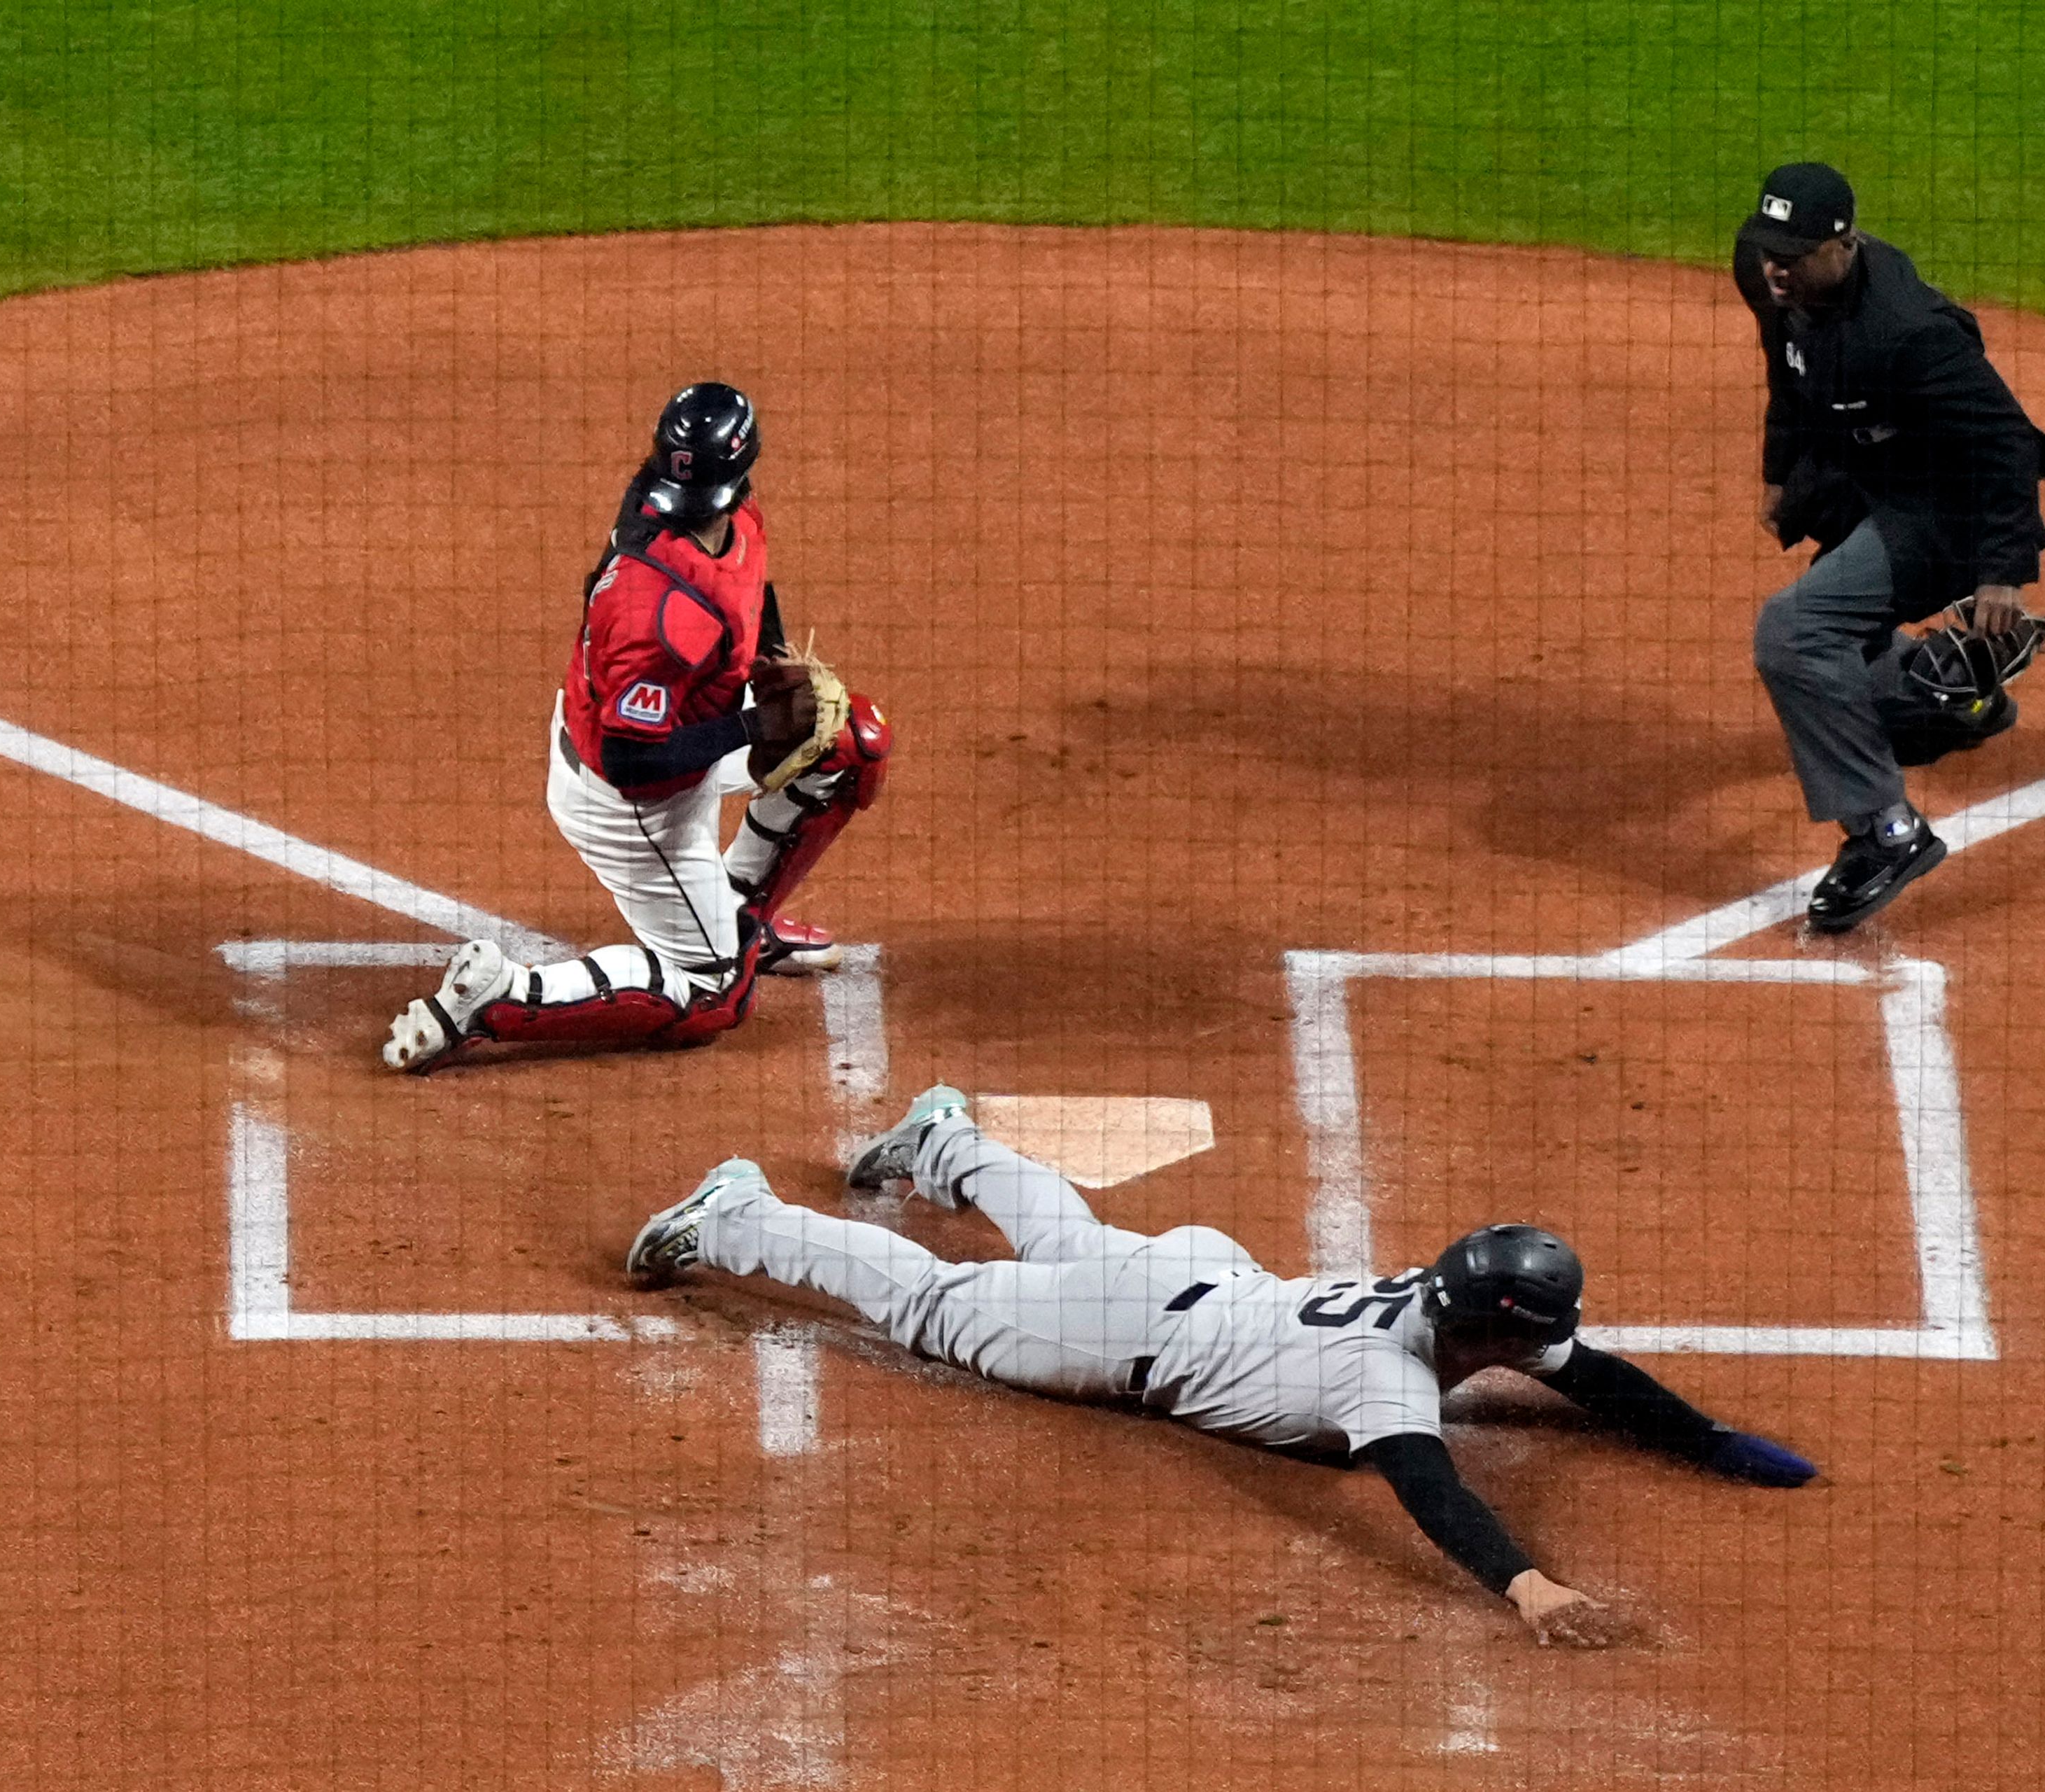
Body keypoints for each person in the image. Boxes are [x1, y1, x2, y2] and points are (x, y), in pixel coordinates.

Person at [626, 1087, 1818, 1646]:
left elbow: (1592, 1376)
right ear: (1496, 1332)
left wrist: (1708, 1443)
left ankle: (946, 1142)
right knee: (932, 1305)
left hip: (1199, 1280)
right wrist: (1528, 1585)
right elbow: (1436, 1495)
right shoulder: (1385, 1385)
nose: (1540, 1355)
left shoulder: (1448, 1306)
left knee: (1076, 1242)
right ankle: (738, 1219)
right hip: (1125, 1334)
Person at [383, 382, 890, 1072]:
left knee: (848, 744)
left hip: (684, 732)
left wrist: (773, 661)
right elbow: (631, 760)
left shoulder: (728, 514)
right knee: (715, 996)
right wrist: (755, 724)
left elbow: (753, 588)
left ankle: (740, 925)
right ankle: (498, 998)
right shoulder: (657, 608)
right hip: (626, 800)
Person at [1737, 162, 2045, 931]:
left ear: (1846, 245)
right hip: (1871, 475)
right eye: (1770, 249)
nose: (1776, 267)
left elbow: (2002, 441)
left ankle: (1884, 833)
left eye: (1796, 253)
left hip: (1947, 504)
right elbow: (1783, 365)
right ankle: (1940, 693)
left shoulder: (1909, 333)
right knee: (1833, 636)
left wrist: (2003, 570)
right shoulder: (1770, 274)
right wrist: (1777, 474)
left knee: (1795, 631)